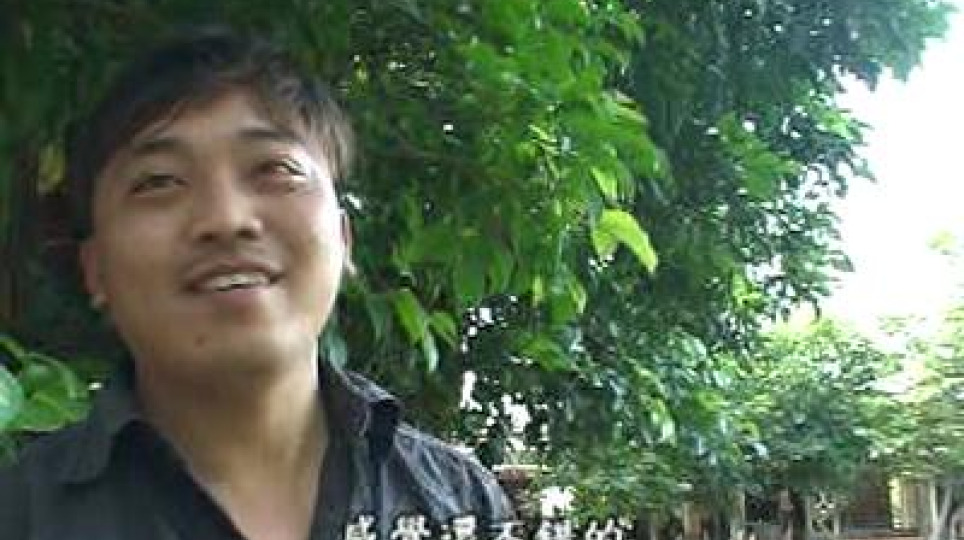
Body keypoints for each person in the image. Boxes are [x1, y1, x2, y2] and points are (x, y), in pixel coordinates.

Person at [0, 28, 513, 539]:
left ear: (343, 239)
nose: (227, 219)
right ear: (94, 269)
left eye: (274, 168)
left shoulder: (458, 505)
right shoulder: (21, 516)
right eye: (159, 181)